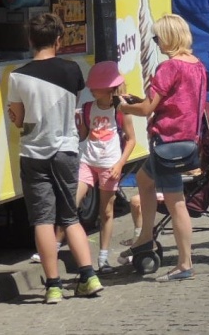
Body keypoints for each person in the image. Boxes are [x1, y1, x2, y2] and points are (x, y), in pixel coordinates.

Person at [7, 13, 103, 303]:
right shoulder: (72, 70)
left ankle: (53, 287)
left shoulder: (17, 75)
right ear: (59, 40)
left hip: (33, 153)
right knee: (70, 217)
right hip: (66, 151)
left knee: (43, 221)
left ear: (29, 40)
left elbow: (19, 117)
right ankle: (89, 277)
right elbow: (72, 102)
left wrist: (15, 116)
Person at [118, 14, 206, 282]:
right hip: (186, 139)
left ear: (168, 37)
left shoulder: (169, 68)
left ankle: (184, 262)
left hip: (168, 141)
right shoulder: (198, 65)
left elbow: (147, 109)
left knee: (175, 201)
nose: (156, 43)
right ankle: (145, 236)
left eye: (157, 37)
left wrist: (122, 105)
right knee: (144, 180)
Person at [76, 61, 137, 272]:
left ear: (109, 88)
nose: (91, 89)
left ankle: (103, 257)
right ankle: (53, 246)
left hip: (110, 165)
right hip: (87, 162)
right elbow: (84, 135)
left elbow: (131, 140)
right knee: (71, 203)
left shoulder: (121, 110)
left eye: (96, 86)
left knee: (107, 212)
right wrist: (78, 125)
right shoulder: (86, 108)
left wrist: (120, 165)